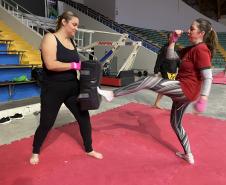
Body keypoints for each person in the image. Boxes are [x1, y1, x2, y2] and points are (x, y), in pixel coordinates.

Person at [97, 18, 218, 164]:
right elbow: (170, 57)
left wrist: (203, 98)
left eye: (192, 29)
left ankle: (112, 94)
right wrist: (172, 41)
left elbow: (208, 76)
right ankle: (189, 154)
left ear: (201, 33)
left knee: (149, 81)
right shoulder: (191, 49)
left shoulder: (201, 49)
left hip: (185, 89)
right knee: (176, 124)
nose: (188, 31)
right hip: (185, 92)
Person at [30, 11, 103, 165]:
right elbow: (50, 64)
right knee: (46, 123)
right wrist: (74, 65)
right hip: (53, 88)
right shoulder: (50, 38)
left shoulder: (71, 41)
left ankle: (89, 149)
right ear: (64, 22)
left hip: (72, 87)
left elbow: (77, 68)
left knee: (84, 118)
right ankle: (35, 151)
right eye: (74, 24)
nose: (76, 28)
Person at [153, 33, 180, 109]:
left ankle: (157, 103)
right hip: (165, 71)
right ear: (168, 38)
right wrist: (156, 72)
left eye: (174, 37)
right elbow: (158, 60)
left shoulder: (176, 48)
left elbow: (178, 60)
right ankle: (157, 103)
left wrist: (181, 68)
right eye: (171, 37)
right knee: (168, 87)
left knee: (167, 88)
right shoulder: (164, 48)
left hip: (173, 71)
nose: (172, 39)